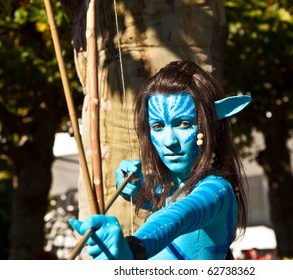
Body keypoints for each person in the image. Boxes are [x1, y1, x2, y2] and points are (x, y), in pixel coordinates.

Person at [69, 60, 251, 260]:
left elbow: (180, 216)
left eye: (183, 123)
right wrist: (134, 185)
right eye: (157, 127)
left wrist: (133, 248)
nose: (169, 141)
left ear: (209, 126)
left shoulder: (216, 189)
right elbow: (156, 198)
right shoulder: (171, 193)